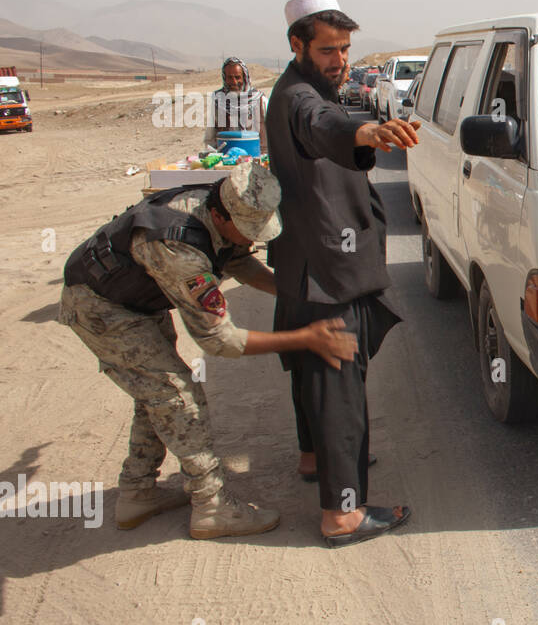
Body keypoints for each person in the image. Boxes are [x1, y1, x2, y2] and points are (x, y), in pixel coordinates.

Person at [57, 162, 359, 537]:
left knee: (154, 396)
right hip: (101, 307)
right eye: (246, 232)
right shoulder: (179, 249)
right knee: (177, 395)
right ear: (220, 214)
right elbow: (220, 341)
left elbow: (234, 258)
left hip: (133, 298)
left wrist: (291, 291)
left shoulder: (214, 204)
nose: (251, 241)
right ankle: (211, 507)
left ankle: (138, 491)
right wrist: (306, 337)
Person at [265, 0, 421, 547]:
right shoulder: (300, 98)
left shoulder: (300, 88)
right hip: (328, 269)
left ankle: (314, 459)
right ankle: (343, 515)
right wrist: (366, 132)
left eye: (346, 49)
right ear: (297, 44)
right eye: (328, 50)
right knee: (339, 390)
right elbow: (322, 126)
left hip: (309, 263)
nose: (340, 60)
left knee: (314, 377)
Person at [203, 57, 267, 153]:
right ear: (224, 78)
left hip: (257, 155)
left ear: (244, 77)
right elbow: (210, 137)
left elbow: (274, 132)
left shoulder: (260, 99)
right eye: (230, 77)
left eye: (237, 77)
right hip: (227, 158)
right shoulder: (218, 100)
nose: (234, 82)